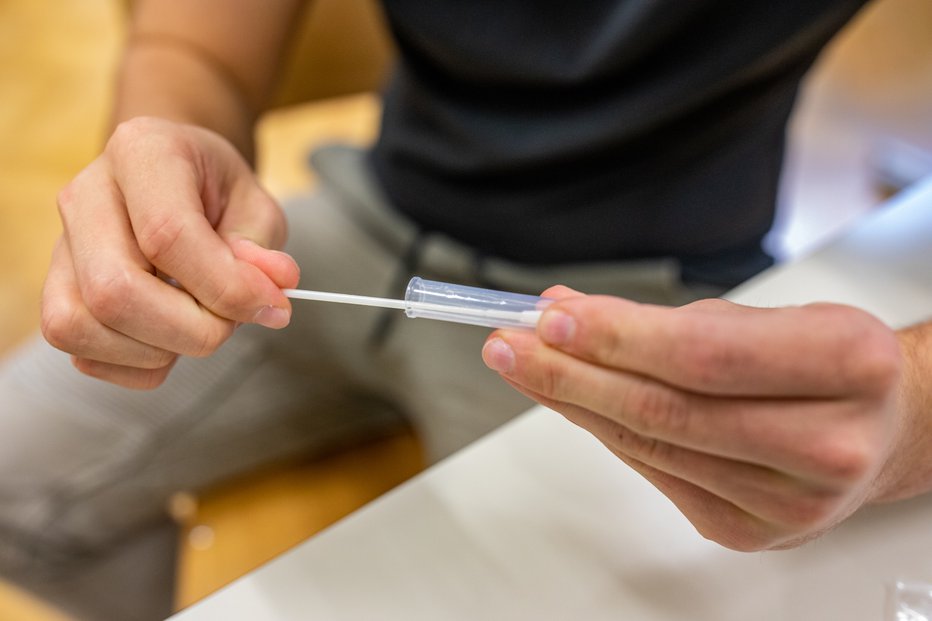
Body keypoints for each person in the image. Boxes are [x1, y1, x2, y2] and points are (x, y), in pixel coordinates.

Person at [1, 0, 929, 619]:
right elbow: (196, 44)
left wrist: (910, 413)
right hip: (347, 229)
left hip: (646, 305)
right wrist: (169, 148)